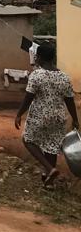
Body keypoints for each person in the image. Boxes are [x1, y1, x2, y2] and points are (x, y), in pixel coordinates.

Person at [14, 42, 79, 187]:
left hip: (40, 116)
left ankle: (49, 169)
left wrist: (19, 114)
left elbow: (28, 98)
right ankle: (48, 181)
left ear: (40, 58)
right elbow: (70, 101)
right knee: (52, 147)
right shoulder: (64, 77)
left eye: (37, 56)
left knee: (28, 140)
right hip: (58, 118)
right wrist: (75, 119)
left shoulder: (36, 75)